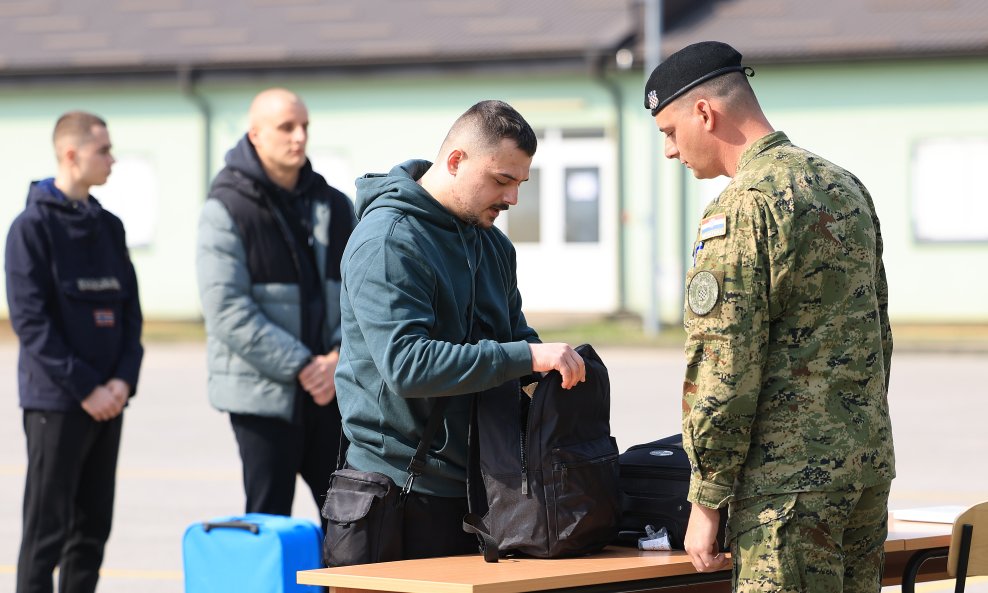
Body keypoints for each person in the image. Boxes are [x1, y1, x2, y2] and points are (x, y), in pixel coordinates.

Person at [644, 41, 894, 591]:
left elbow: (723, 367)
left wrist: (707, 500)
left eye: (668, 131)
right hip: (863, 471)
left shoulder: (742, 207)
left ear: (705, 113)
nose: (669, 150)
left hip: (786, 492)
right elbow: (878, 333)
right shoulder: (844, 187)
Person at [333, 99, 586, 562]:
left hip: (482, 493)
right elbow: (407, 366)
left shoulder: (492, 245)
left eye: (520, 183)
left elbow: (515, 339)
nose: (512, 198)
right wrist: (527, 358)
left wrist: (553, 374)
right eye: (502, 180)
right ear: (455, 161)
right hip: (395, 496)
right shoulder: (389, 241)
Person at [195, 88, 356, 526]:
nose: (299, 137)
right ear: (255, 135)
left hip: (331, 391)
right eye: (286, 127)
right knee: (269, 522)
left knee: (350, 519)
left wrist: (337, 359)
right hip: (264, 397)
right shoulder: (226, 208)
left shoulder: (336, 206)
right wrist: (304, 365)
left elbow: (361, 297)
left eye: (304, 126)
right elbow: (226, 308)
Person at [5, 111, 144, 593]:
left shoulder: (109, 227)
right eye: (103, 150)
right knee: (47, 533)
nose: (112, 158)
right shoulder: (31, 228)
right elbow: (31, 322)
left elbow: (131, 315)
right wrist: (87, 387)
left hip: (109, 401)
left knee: (91, 531)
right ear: (71, 153)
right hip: (58, 403)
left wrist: (122, 381)